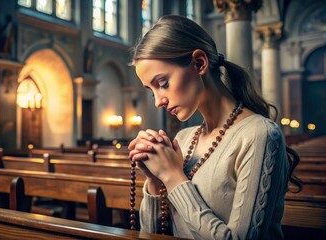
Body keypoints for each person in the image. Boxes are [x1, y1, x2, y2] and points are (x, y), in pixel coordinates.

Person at [128, 15, 301, 239]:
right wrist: (155, 180)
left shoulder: (260, 134)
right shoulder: (184, 138)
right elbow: (154, 235)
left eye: (163, 84)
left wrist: (173, 177)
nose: (158, 101)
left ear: (199, 63)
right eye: (152, 91)